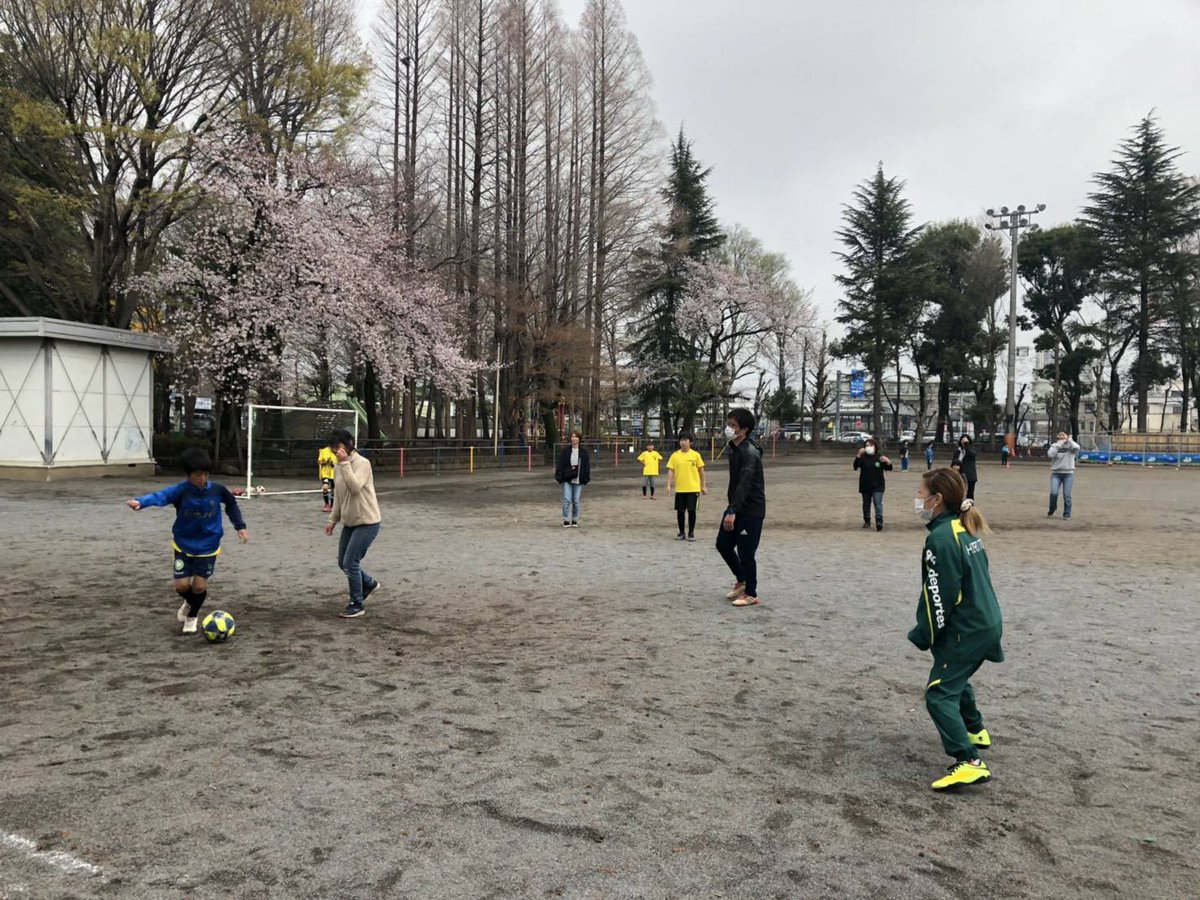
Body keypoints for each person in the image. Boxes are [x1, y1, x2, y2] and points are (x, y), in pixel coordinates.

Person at [909, 467, 1004, 791]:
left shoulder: (941, 538)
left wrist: (924, 633)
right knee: (954, 674)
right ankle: (975, 729)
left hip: (969, 627)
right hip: (984, 620)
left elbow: (939, 593)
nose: (918, 500)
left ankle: (968, 761)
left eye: (921, 494)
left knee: (939, 693)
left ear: (937, 499)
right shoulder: (962, 527)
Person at [126, 447, 249, 635]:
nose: (202, 479)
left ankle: (192, 616)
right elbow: (161, 496)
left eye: (205, 474)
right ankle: (190, 601)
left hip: (209, 545)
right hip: (183, 544)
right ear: (188, 474)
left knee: (199, 586)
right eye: (197, 475)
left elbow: (231, 504)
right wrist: (141, 502)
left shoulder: (217, 490)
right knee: (182, 586)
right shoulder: (181, 491)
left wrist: (240, 526)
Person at [323, 429, 382, 619]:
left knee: (350, 562)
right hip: (349, 522)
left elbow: (355, 487)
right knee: (343, 562)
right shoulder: (338, 466)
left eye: (337, 447)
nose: (335, 451)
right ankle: (369, 583)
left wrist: (345, 464)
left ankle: (356, 603)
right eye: (332, 448)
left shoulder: (362, 463)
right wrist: (333, 519)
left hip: (367, 521)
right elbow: (339, 496)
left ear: (349, 444)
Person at [717, 408, 766, 607]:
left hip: (751, 509)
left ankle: (751, 593)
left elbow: (745, 483)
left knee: (746, 552)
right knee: (723, 544)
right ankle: (742, 580)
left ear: (744, 429)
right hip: (736, 505)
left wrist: (732, 511)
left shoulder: (750, 452)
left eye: (733, 426)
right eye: (728, 424)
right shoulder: (734, 448)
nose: (729, 429)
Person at [666, 433, 707, 541]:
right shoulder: (675, 455)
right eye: (681, 440)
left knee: (692, 511)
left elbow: (701, 471)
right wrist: (669, 485)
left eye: (685, 440)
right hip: (680, 489)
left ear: (690, 442)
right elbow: (671, 471)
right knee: (680, 511)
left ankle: (691, 533)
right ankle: (681, 532)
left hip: (693, 488)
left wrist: (703, 486)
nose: (683, 442)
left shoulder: (695, 455)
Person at [854, 437, 893, 531]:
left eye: (871, 445)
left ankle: (879, 521)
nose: (869, 447)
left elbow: (889, 468)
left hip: (878, 484)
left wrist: (888, 462)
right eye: (867, 446)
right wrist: (858, 455)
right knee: (866, 503)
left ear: (875, 447)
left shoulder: (879, 457)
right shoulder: (862, 457)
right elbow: (855, 466)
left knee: (877, 502)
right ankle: (867, 520)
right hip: (865, 484)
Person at [554, 430, 591, 528]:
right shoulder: (566, 451)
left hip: (579, 479)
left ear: (579, 439)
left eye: (576, 437)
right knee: (566, 499)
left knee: (576, 500)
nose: (574, 439)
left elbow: (586, 466)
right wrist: (559, 476)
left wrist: (586, 477)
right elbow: (560, 464)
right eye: (572, 437)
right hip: (567, 478)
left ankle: (575, 519)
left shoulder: (584, 452)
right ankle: (566, 519)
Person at [1047, 431, 1081, 519]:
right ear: (1058, 436)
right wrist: (1059, 445)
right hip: (1056, 473)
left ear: (1067, 436)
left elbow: (1077, 447)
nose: (1062, 436)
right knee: (1054, 493)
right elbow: (1050, 454)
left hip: (1068, 474)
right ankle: (1052, 508)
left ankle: (1067, 513)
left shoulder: (1071, 445)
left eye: (1063, 434)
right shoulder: (1055, 445)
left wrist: (1070, 440)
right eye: (1060, 435)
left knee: (1067, 495)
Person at [950, 434, 978, 500]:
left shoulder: (972, 449)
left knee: (969, 495)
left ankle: (969, 508)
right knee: (959, 493)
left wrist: (966, 445)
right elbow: (953, 462)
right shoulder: (958, 450)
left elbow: (972, 454)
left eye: (965, 441)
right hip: (959, 475)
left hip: (970, 476)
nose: (963, 442)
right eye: (962, 440)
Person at [318, 442, 338, 513]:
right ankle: (326, 504)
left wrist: (333, 463)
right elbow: (320, 461)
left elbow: (339, 463)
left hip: (334, 473)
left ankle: (332, 505)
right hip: (325, 473)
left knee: (333, 490)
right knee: (325, 487)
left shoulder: (338, 452)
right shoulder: (323, 451)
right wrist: (325, 462)